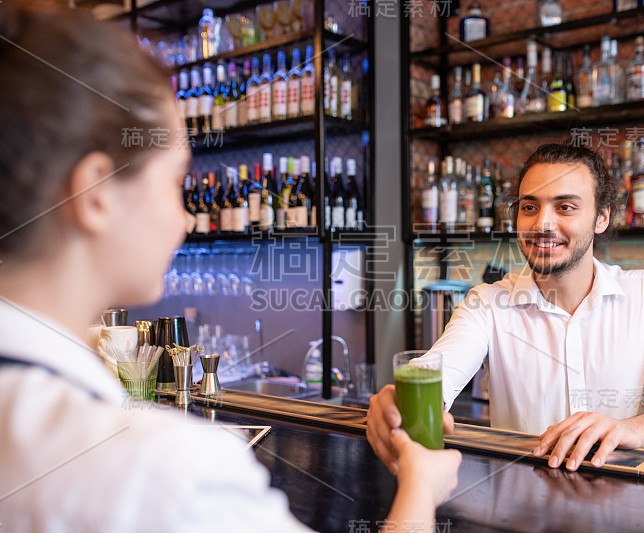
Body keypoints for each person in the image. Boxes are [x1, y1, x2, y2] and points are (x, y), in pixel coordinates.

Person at [0, 2, 460, 531]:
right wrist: (421, 487)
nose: (183, 220)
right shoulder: (167, 470)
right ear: (97, 194)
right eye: (175, 181)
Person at [368, 143, 644, 475]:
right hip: (517, 513)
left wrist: (626, 430)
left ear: (601, 217)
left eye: (565, 207)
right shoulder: (487, 303)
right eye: (529, 207)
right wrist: (397, 403)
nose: (542, 224)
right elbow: (438, 373)